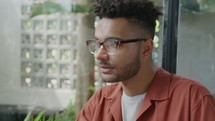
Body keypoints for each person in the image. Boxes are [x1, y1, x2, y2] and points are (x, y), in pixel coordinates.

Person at [76, 0, 215, 121]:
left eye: (112, 43)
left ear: (146, 48)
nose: (99, 55)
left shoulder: (193, 100)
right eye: (98, 43)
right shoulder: (99, 103)